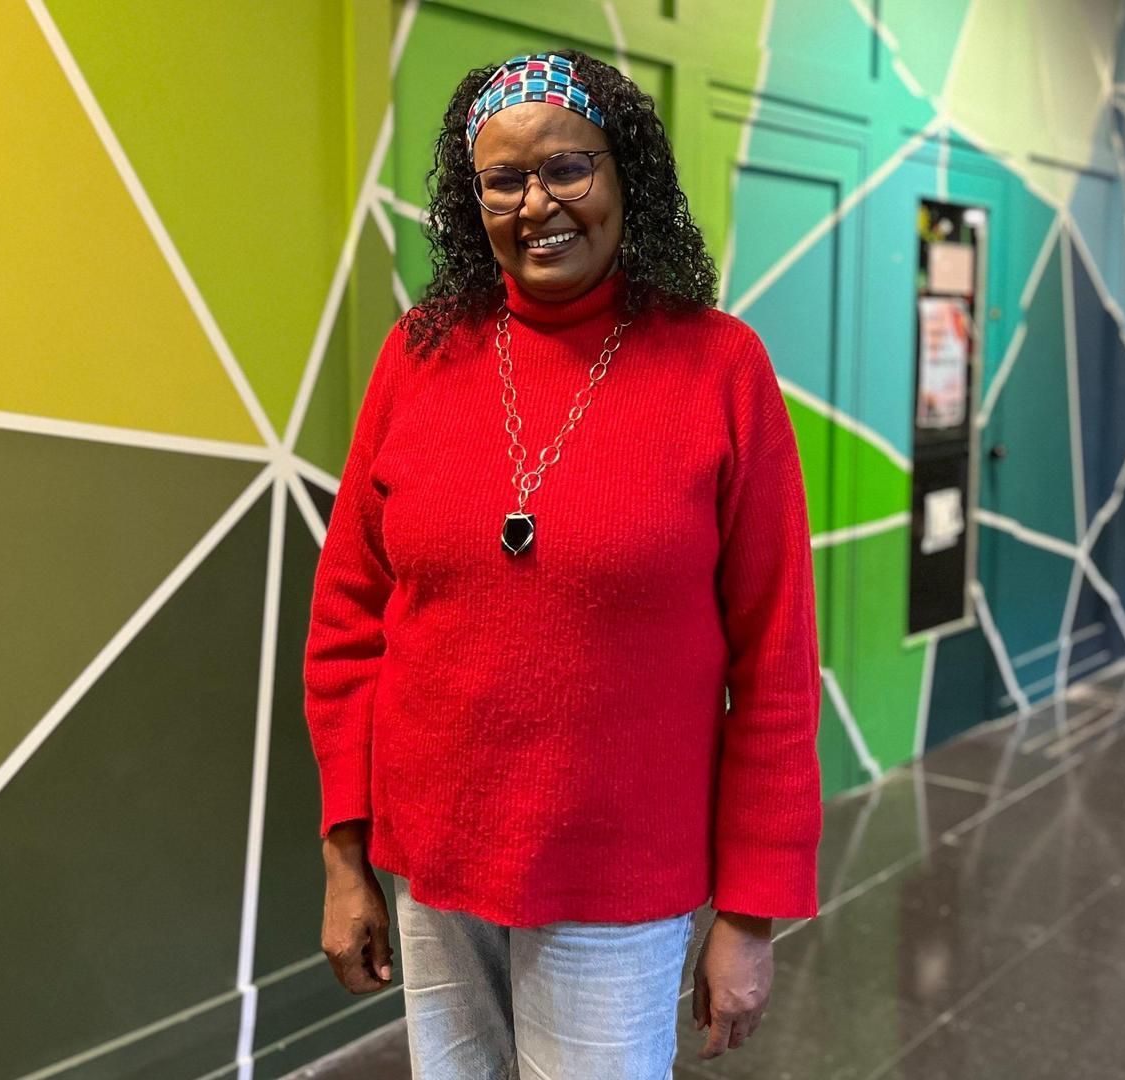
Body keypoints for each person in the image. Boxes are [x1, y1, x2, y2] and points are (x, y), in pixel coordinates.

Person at [305, 49, 823, 1080]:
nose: (537, 204)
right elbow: (349, 620)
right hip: (434, 863)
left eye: (567, 168)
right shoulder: (420, 354)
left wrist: (751, 914)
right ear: (473, 202)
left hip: (618, 879)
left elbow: (774, 661)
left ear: (625, 171)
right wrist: (345, 853)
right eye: (502, 180)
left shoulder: (720, 367)